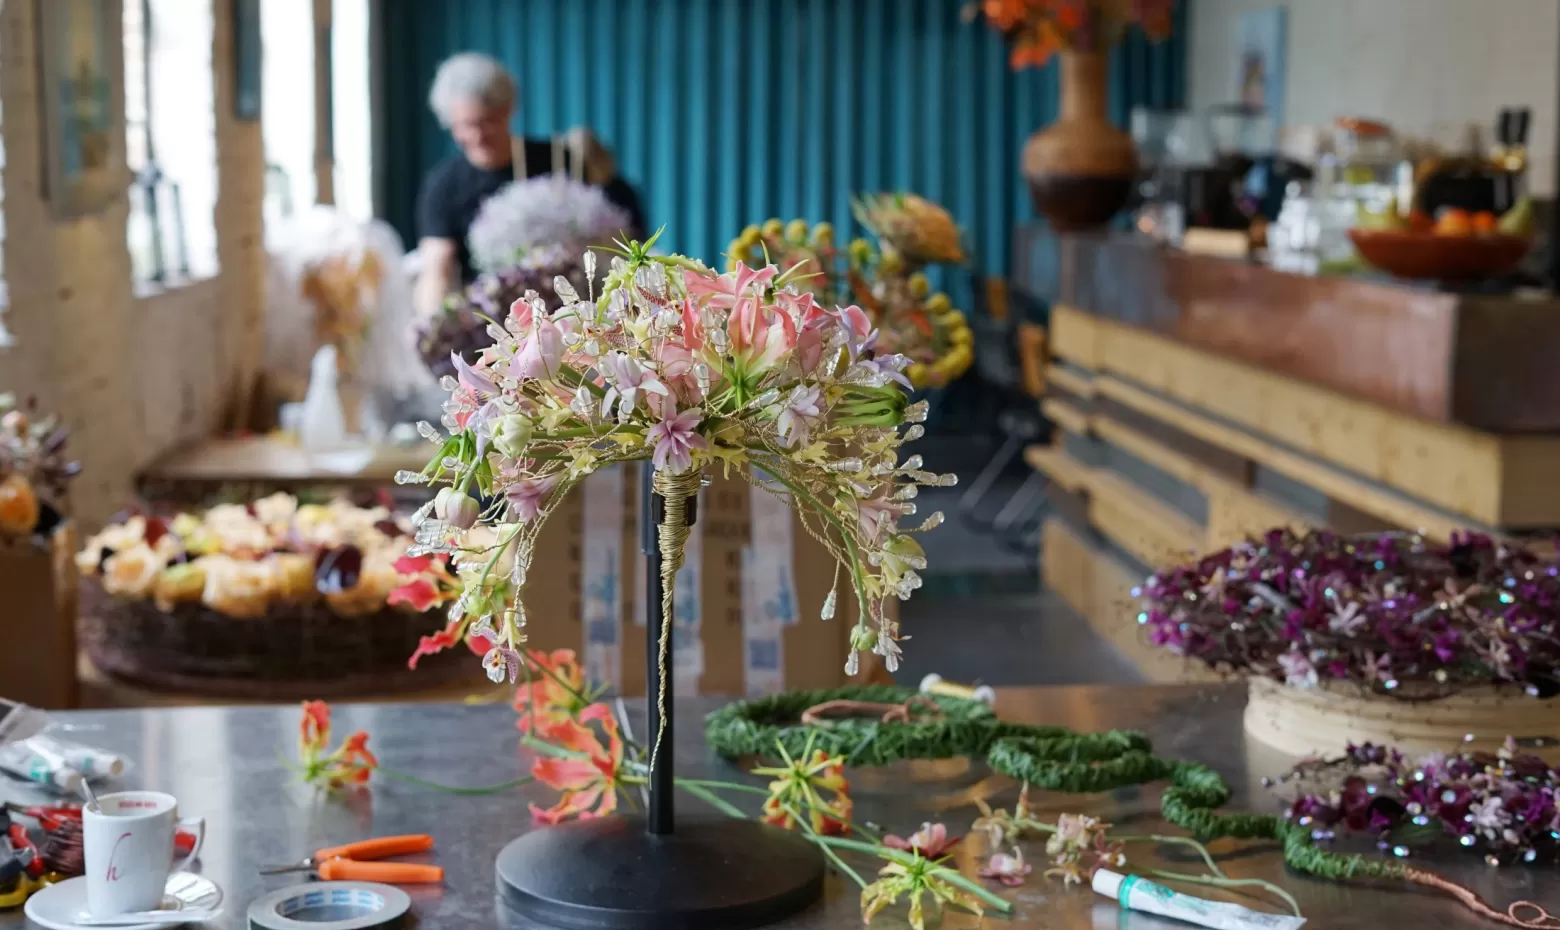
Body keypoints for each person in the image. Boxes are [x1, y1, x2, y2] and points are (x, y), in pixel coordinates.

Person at [413, 53, 645, 315]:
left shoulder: (559, 161)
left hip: (577, 311)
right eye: (466, 125)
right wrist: (432, 325)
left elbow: (624, 228)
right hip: (497, 322)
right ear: (449, 122)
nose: (477, 136)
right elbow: (437, 268)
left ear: (507, 110)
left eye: (487, 121)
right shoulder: (445, 186)